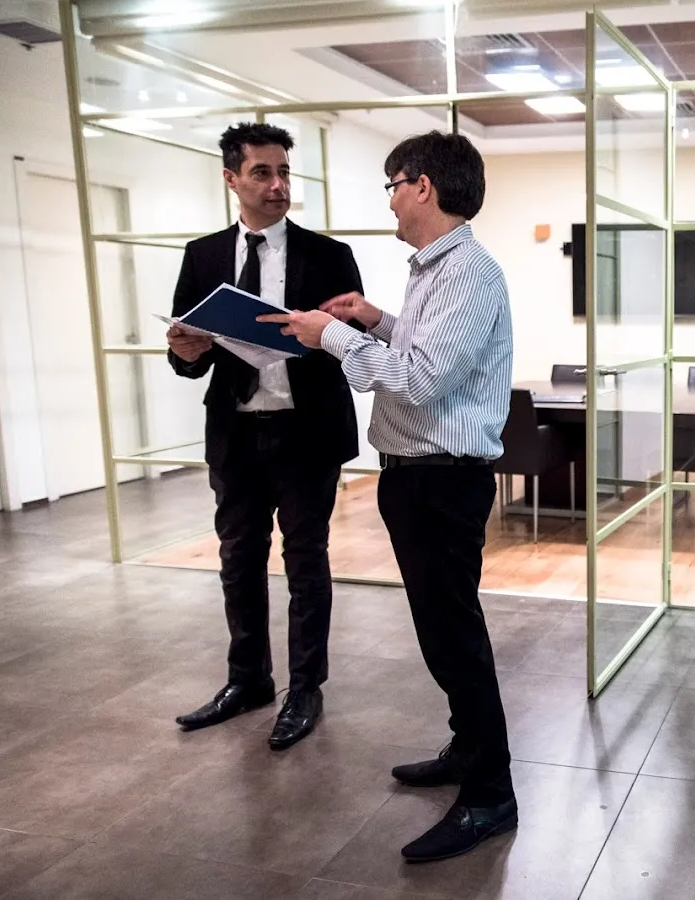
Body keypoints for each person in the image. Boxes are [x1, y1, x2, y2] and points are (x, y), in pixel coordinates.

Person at [259, 130, 516, 863]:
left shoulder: (467, 271)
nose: (392, 200)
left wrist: (331, 337)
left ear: (422, 186)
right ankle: (468, 749)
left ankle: (491, 796)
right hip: (419, 476)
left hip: (442, 479)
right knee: (442, 634)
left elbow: (420, 381)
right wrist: (375, 321)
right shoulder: (436, 269)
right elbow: (426, 355)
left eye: (394, 186)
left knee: (455, 639)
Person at [167, 122, 363, 751]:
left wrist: (320, 336)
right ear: (232, 179)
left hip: (307, 432)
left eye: (283, 172)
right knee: (238, 559)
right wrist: (185, 350)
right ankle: (247, 679)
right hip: (235, 432)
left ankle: (305, 688)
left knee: (305, 560)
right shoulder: (202, 256)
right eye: (262, 173)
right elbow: (187, 352)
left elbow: (353, 345)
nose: (278, 186)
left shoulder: (328, 255)